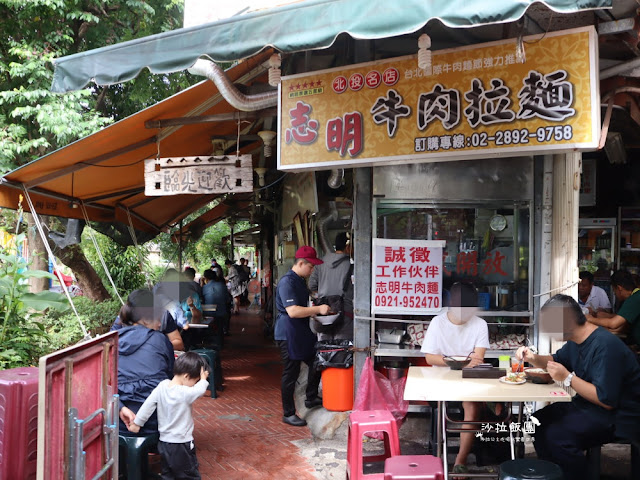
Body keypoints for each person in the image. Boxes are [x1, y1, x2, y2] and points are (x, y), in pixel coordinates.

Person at [517, 294, 640, 480]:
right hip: (587, 406)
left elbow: (605, 400)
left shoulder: (605, 345)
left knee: (557, 436)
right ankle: (555, 474)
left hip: (617, 416)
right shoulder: (577, 341)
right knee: (537, 422)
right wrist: (533, 358)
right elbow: (555, 360)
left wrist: (567, 378)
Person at [420, 282, 490, 476]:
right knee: (443, 405)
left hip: (469, 378)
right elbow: (429, 357)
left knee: (472, 406)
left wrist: (465, 363)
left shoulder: (479, 324)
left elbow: (478, 358)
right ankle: (439, 454)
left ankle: (460, 460)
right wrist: (457, 362)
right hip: (440, 378)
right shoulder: (438, 322)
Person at [127, 352, 209, 479]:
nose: (195, 384)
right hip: (181, 444)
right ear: (187, 376)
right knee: (189, 475)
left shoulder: (162, 385)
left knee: (168, 474)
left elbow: (148, 405)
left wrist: (137, 423)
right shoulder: (185, 392)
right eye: (195, 381)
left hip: (164, 443)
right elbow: (199, 390)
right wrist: (203, 380)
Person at [276, 246, 331, 427]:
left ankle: (311, 396)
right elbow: (292, 311)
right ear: (300, 263)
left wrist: (314, 310)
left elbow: (302, 306)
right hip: (288, 332)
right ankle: (289, 413)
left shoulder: (300, 280)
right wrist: (318, 309)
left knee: (316, 361)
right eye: (311, 266)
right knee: (290, 373)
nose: (312, 270)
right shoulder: (287, 282)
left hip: (301, 330)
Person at [117, 289, 175, 437]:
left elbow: (107, 385)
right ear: (145, 318)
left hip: (121, 421)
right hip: (157, 421)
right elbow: (170, 375)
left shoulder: (113, 341)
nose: (159, 323)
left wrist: (121, 408)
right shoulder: (160, 339)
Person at [308, 232, 353, 340]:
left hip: (324, 312)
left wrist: (324, 292)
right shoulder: (352, 265)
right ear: (348, 247)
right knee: (341, 349)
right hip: (345, 314)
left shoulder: (320, 264)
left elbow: (311, 285)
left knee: (324, 347)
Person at [586, 269, 640, 344]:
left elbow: (613, 324)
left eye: (614, 291)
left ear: (619, 288)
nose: (615, 294)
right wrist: (608, 315)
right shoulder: (636, 295)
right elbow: (625, 319)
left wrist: (589, 319)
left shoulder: (634, 299)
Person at [111, 307, 184, 352]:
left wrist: (159, 345)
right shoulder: (123, 317)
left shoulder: (163, 315)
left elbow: (179, 344)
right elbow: (110, 345)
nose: (160, 324)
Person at [202, 268, 232, 336]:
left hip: (208, 312)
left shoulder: (204, 287)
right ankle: (225, 330)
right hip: (221, 312)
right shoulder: (222, 285)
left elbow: (202, 300)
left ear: (205, 278)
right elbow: (227, 299)